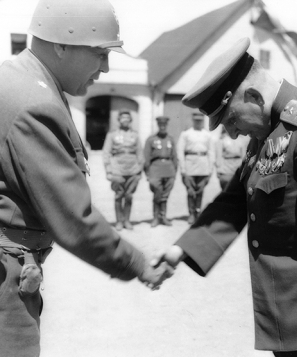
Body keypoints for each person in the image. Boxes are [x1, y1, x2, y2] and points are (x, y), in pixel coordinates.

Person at [153, 38, 297, 356]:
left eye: (231, 119)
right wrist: (180, 250)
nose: (232, 134)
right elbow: (234, 200)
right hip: (290, 328)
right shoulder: (268, 132)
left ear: (253, 96)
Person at [0, 1, 170, 355]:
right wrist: (137, 263)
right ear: (60, 46)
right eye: (98, 54)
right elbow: (73, 217)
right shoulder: (35, 103)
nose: (105, 68)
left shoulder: (16, 77)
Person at [103, 109, 144, 231]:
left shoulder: (135, 135)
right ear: (119, 120)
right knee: (118, 195)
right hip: (117, 169)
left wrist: (139, 171)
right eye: (122, 118)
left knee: (129, 196)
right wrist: (108, 170)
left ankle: (127, 220)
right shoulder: (112, 135)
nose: (125, 120)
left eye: (127, 118)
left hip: (133, 169)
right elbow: (106, 153)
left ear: (130, 121)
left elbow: (140, 153)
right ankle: (119, 221)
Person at [177, 112, 215, 224]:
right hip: (190, 164)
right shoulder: (186, 134)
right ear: (193, 121)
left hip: (203, 165)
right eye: (196, 120)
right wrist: (183, 169)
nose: (198, 122)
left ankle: (198, 212)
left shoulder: (207, 135)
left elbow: (211, 152)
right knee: (190, 191)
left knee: (200, 190)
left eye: (200, 120)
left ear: (203, 121)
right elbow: (180, 152)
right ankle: (191, 214)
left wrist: (210, 169)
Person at [143, 116, 178, 227]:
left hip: (169, 169)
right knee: (157, 192)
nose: (162, 127)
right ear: (158, 126)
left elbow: (174, 157)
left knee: (165, 195)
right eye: (160, 125)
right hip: (155, 168)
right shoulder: (151, 139)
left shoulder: (170, 139)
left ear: (166, 126)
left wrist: (174, 172)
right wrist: (147, 173)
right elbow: (146, 157)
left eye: (164, 125)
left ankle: (163, 217)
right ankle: (155, 218)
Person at [215, 125, 247, 190]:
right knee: (226, 188)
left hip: (237, 167)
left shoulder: (241, 140)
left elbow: (244, 156)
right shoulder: (222, 140)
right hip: (226, 168)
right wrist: (219, 170)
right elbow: (218, 156)